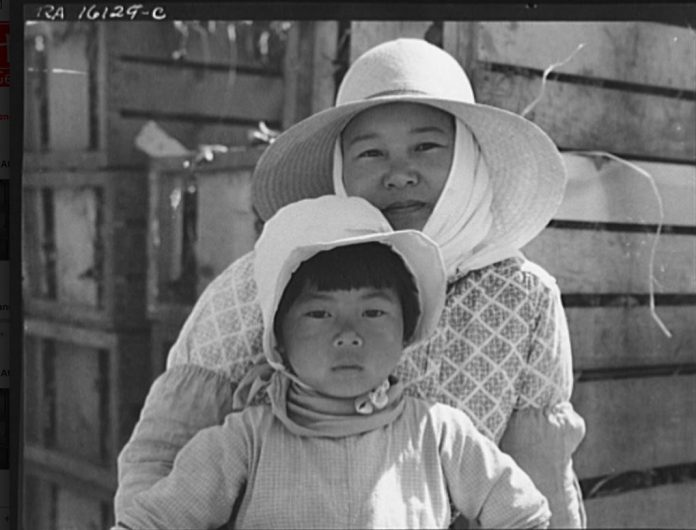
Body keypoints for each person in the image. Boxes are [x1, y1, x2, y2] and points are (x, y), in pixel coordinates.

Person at [116, 38, 586, 527]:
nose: (400, 174)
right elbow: (164, 455)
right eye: (370, 153)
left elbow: (539, 478)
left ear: (469, 156)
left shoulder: (523, 296)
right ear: (339, 167)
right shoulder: (277, 275)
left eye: (426, 147)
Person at [115, 196, 551, 529]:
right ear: (278, 342)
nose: (348, 333)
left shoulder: (438, 433)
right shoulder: (244, 442)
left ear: (407, 332)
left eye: (374, 312)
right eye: (319, 313)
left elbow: (523, 516)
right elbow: (149, 523)